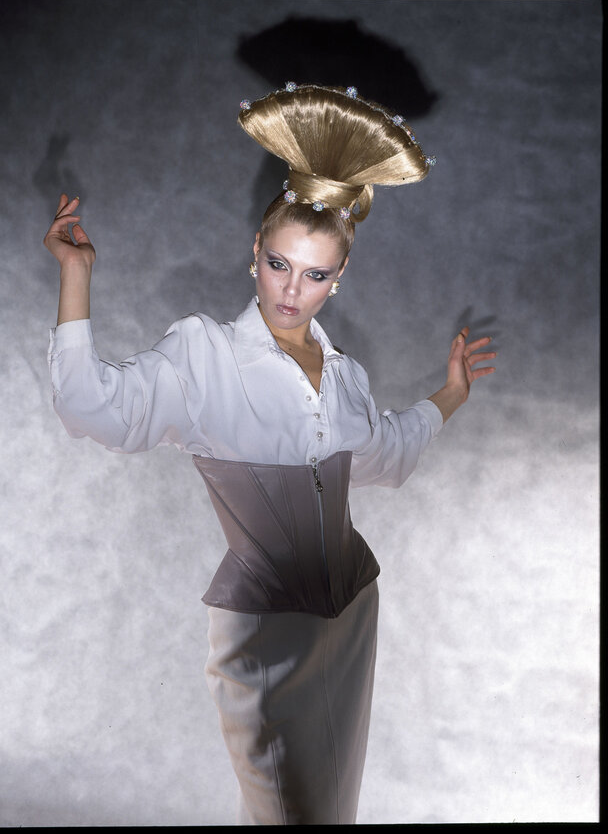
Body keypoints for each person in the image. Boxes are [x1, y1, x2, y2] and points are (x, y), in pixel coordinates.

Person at [44, 83, 496, 825]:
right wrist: (76, 274)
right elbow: (88, 407)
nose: (291, 290)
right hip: (265, 636)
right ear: (255, 252)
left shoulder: (344, 377)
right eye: (279, 264)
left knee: (333, 811)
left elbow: (387, 455)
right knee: (286, 812)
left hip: (352, 615)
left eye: (315, 275)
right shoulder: (204, 355)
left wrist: (450, 395)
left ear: (337, 280)